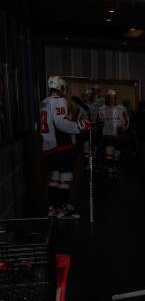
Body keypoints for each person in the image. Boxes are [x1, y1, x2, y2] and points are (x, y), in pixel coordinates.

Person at [39, 76, 92, 219]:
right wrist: (80, 126)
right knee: (66, 176)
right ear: (61, 88)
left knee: (55, 176)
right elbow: (61, 123)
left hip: (50, 146)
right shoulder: (59, 101)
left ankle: (53, 207)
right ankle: (62, 209)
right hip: (62, 144)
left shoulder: (44, 102)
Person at [99, 89, 129, 178]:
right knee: (109, 155)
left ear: (115, 98)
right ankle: (110, 170)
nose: (111, 99)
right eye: (109, 97)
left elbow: (127, 121)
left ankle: (114, 168)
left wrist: (123, 128)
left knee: (116, 155)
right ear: (107, 98)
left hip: (118, 136)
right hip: (107, 136)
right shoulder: (102, 109)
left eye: (113, 98)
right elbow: (99, 122)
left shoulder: (121, 109)